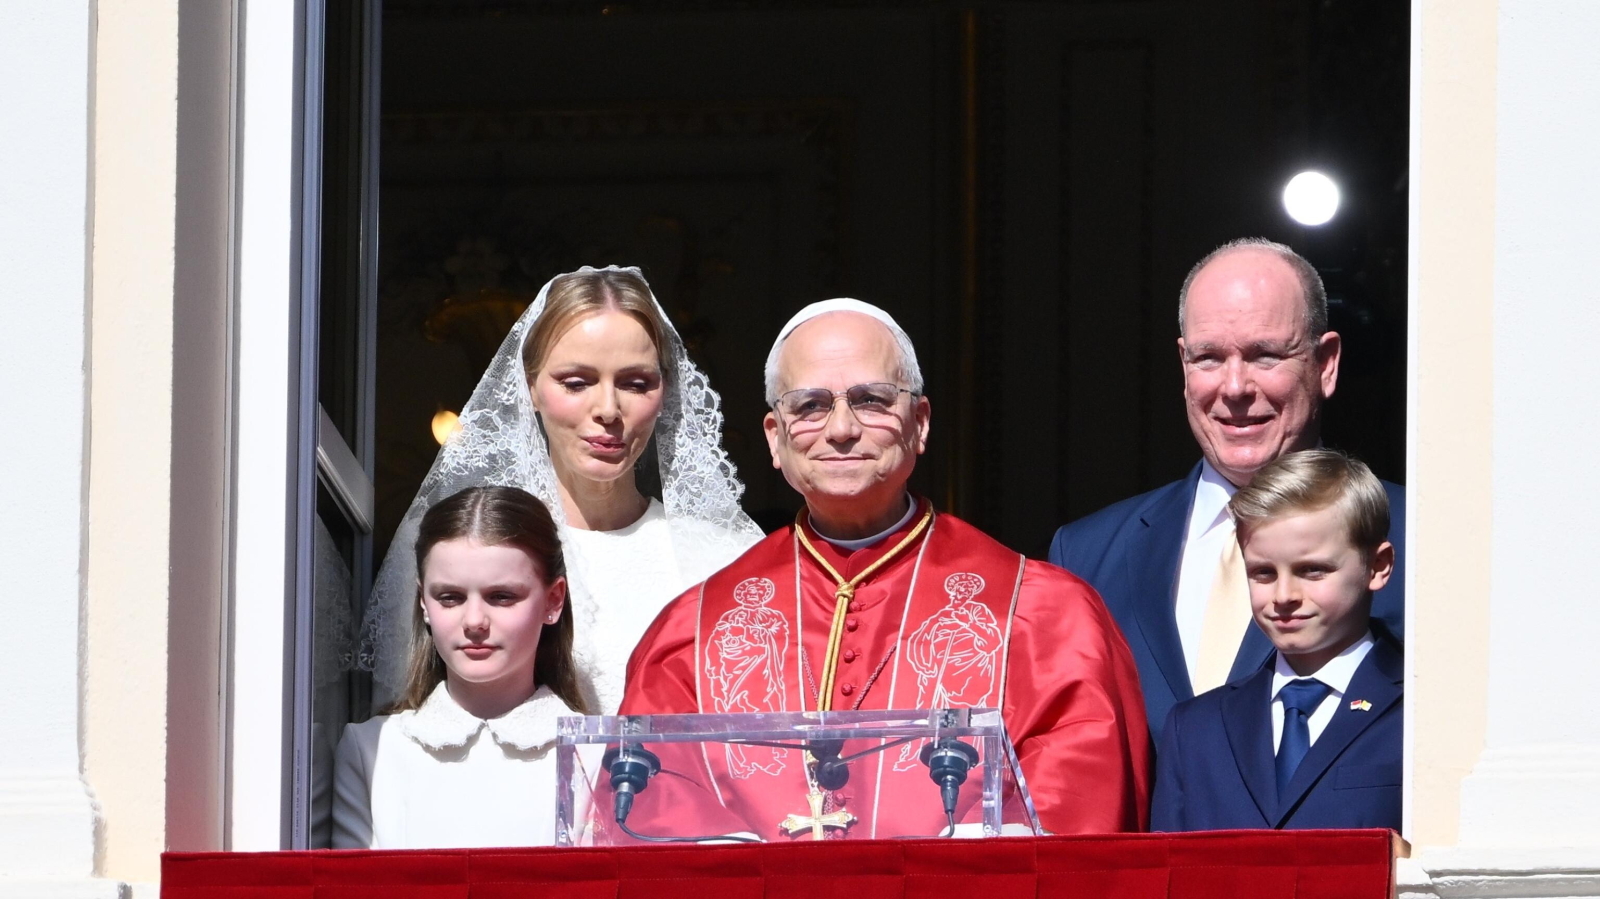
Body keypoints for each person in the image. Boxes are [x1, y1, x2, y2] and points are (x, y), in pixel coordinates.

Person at [618, 298, 1151, 838]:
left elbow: (1076, 804)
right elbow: (649, 807)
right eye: (810, 406)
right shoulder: (696, 630)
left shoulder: (1043, 617)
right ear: (774, 438)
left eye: (872, 400)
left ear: (919, 423)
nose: (842, 429)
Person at [359, 266, 762, 716]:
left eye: (635, 383)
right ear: (530, 387)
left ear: (664, 392)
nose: (608, 409)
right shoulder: (452, 551)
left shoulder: (726, 559)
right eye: (576, 382)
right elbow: (401, 727)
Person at [1048, 239, 1406, 734]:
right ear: (1184, 366)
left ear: (1325, 364)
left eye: (1264, 355)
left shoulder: (1414, 539)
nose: (1234, 388)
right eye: (1209, 358)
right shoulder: (1086, 556)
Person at [1150, 450, 1401, 832]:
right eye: (1263, 573)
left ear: (1378, 566)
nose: (1284, 595)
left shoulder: (1423, 713)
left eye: (1312, 570)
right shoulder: (1197, 729)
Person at [333, 486, 586, 849]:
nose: (474, 621)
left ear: (553, 600)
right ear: (423, 603)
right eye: (449, 597)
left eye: (502, 596)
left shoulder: (595, 756)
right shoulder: (374, 749)